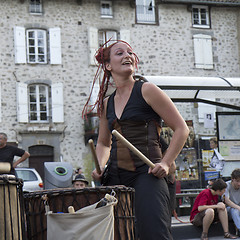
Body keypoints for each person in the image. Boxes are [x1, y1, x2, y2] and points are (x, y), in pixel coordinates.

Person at [83, 39, 189, 240]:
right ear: (107, 65)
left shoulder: (147, 90)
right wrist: (99, 166)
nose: (127, 56)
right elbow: (104, 143)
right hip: (115, 175)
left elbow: (181, 129)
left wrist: (165, 163)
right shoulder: (107, 103)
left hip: (147, 173)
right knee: (119, 235)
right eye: (120, 53)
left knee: (154, 234)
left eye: (130, 52)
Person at [224, 168, 240, 235]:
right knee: (235, 210)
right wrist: (238, 208)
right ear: (232, 179)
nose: (239, 183)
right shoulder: (227, 185)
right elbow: (227, 200)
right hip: (229, 210)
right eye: (237, 181)